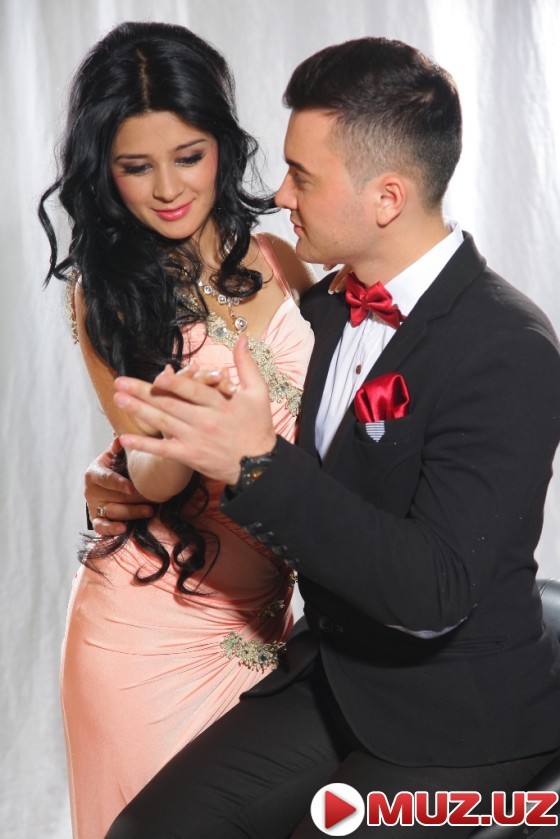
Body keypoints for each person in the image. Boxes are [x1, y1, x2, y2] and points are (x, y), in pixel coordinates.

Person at [99, 37, 560, 839]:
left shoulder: (508, 348)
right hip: (332, 676)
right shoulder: (316, 312)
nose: (280, 194)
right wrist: (126, 471)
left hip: (457, 719)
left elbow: (434, 591)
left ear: (387, 197)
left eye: (302, 176)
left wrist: (255, 464)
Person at [39, 20, 315, 839]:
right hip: (143, 635)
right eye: (136, 166)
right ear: (104, 170)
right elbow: (151, 476)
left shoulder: (282, 258)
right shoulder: (107, 293)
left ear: (222, 144)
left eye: (188, 155)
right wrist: (164, 440)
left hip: (268, 624)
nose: (166, 187)